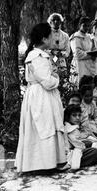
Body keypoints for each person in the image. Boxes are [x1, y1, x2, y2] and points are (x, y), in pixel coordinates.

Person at [15, 23, 67, 173]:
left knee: (45, 125)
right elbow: (47, 81)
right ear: (44, 39)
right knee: (44, 126)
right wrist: (56, 77)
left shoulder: (39, 55)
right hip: (41, 95)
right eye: (51, 36)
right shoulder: (37, 56)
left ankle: (49, 161)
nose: (53, 39)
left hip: (41, 94)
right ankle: (40, 163)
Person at [64, 105, 97, 170]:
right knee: (96, 153)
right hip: (69, 154)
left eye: (79, 115)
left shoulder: (73, 126)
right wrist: (86, 145)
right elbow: (77, 145)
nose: (77, 118)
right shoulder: (70, 128)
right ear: (68, 117)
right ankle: (73, 164)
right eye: (74, 115)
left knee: (92, 146)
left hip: (72, 150)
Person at [70, 17, 96, 86]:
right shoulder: (76, 37)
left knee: (90, 84)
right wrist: (90, 55)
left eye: (88, 26)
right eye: (84, 25)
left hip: (89, 64)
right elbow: (77, 53)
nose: (86, 28)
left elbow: (92, 48)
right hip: (80, 64)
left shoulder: (89, 37)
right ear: (80, 25)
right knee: (80, 83)